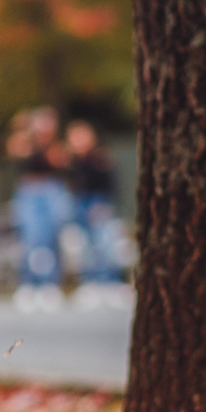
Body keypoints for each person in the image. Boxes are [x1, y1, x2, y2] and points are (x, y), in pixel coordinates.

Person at [6, 108, 73, 309]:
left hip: (51, 190)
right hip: (29, 191)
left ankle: (50, 284)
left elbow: (62, 162)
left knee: (50, 237)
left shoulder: (55, 146)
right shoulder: (24, 142)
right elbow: (14, 152)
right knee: (30, 238)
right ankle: (28, 283)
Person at [65, 120, 122, 288]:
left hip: (99, 200)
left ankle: (109, 280)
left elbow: (109, 182)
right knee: (83, 245)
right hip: (79, 201)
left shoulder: (99, 157)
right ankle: (89, 281)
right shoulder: (71, 160)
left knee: (104, 242)